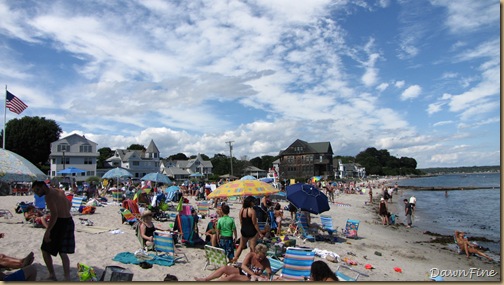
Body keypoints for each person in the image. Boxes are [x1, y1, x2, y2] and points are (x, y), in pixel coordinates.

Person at [31, 181, 75, 281]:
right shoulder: (58, 191)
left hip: (59, 222)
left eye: (37, 190)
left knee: (45, 249)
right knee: (63, 252)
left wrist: (48, 230)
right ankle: (67, 277)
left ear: (43, 186)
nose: (37, 193)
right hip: (68, 221)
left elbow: (54, 214)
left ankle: (52, 275)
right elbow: (69, 204)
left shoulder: (49, 196)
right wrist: (63, 211)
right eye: (35, 191)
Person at [194, 243, 271, 281]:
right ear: (255, 252)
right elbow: (243, 266)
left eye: (262, 256)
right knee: (224, 268)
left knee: (232, 277)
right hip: (245, 271)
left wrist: (266, 276)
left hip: (250, 278)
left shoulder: (266, 261)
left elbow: (269, 273)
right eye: (259, 256)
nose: (260, 258)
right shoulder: (251, 255)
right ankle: (206, 279)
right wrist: (253, 273)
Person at [231, 196, 263, 263]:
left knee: (241, 247)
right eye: (253, 202)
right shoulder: (252, 211)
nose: (254, 203)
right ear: (250, 203)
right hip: (252, 231)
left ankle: (234, 260)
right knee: (252, 248)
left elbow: (241, 221)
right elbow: (255, 223)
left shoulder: (241, 210)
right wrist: (259, 232)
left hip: (244, 230)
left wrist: (243, 229)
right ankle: (252, 262)